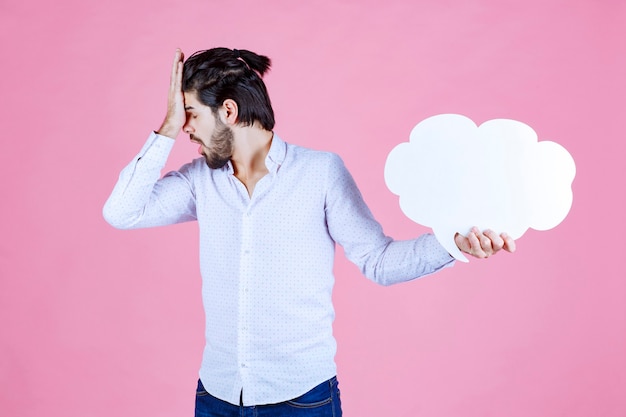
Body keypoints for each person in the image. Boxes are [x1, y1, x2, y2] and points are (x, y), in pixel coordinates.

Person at [103, 47, 515, 417]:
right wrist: (167, 128)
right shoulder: (200, 182)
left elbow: (379, 261)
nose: (186, 128)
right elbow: (122, 212)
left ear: (228, 112)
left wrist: (452, 243)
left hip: (302, 401)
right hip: (217, 396)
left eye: (189, 114)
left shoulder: (320, 173)